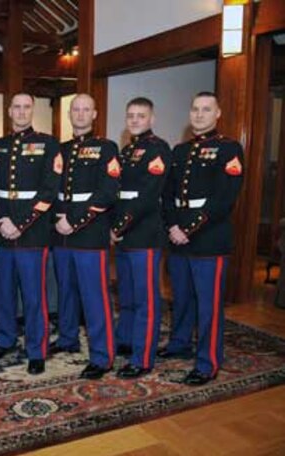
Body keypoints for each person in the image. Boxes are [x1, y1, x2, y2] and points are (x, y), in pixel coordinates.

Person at [159, 91, 244, 385]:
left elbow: (224, 199)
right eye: (195, 109)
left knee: (209, 305)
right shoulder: (180, 151)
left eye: (206, 110)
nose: (199, 114)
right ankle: (180, 344)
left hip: (208, 239)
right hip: (178, 236)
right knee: (181, 298)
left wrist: (188, 228)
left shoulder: (229, 149)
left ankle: (208, 362)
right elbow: (168, 194)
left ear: (217, 113)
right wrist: (172, 225)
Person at [0, 92, 61, 375]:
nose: (21, 112)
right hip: (3, 232)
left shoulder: (48, 144)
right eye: (16, 107)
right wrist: (0, 220)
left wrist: (21, 222)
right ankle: (4, 340)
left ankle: (36, 350)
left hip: (33, 234)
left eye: (26, 107)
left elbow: (49, 191)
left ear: (33, 110)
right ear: (9, 111)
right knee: (3, 292)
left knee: (33, 296)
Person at [51, 93, 120, 380]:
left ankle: (102, 356)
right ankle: (67, 338)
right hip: (61, 235)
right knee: (65, 292)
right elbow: (51, 188)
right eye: (75, 109)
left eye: (85, 110)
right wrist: (58, 221)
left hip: (89, 234)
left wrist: (74, 220)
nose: (80, 114)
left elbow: (108, 192)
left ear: (94, 114)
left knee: (95, 298)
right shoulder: (61, 149)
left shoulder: (107, 148)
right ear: (70, 114)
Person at [111, 97, 172, 379]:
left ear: (152, 119)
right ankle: (127, 341)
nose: (135, 120)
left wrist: (118, 227)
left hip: (144, 235)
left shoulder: (157, 149)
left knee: (146, 298)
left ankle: (143, 357)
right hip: (124, 237)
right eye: (131, 115)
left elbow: (147, 197)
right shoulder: (126, 151)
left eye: (141, 116)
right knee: (127, 295)